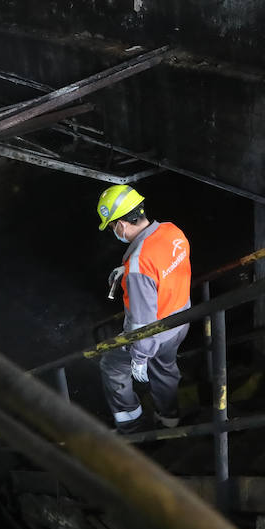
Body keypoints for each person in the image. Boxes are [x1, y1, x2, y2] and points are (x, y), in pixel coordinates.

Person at [95, 184, 191, 433]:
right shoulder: (173, 231)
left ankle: (132, 426)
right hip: (181, 320)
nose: (114, 231)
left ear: (121, 225)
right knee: (164, 368)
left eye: (112, 226)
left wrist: (139, 358)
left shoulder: (139, 264)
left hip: (154, 334)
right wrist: (127, 271)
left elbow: (142, 323)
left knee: (112, 366)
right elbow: (163, 268)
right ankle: (169, 418)